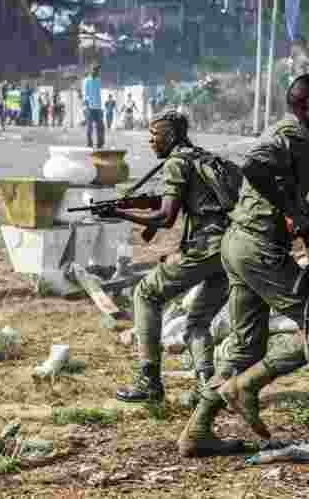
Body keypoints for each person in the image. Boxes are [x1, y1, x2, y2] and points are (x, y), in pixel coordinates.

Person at [178, 73, 309, 457]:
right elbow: (254, 168)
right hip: (259, 249)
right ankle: (246, 386)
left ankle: (197, 431)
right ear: (307, 105)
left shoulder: (287, 134)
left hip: (239, 244)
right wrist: (292, 210)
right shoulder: (295, 135)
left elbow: (270, 192)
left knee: (246, 349)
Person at [109, 111, 233, 408]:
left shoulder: (177, 162)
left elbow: (165, 217)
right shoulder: (201, 157)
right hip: (231, 249)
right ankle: (209, 389)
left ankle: (149, 380)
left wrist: (119, 212)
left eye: (155, 135)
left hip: (206, 247)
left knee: (146, 293)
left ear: (173, 136)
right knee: (197, 322)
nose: (151, 141)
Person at [83, 64, 105, 148]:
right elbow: (86, 94)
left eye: (99, 71)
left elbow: (98, 94)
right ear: (93, 70)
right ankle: (89, 143)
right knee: (89, 127)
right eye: (98, 71)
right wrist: (86, 105)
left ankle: (100, 143)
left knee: (101, 126)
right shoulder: (87, 81)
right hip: (90, 107)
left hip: (98, 107)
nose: (99, 73)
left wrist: (100, 107)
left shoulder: (98, 80)